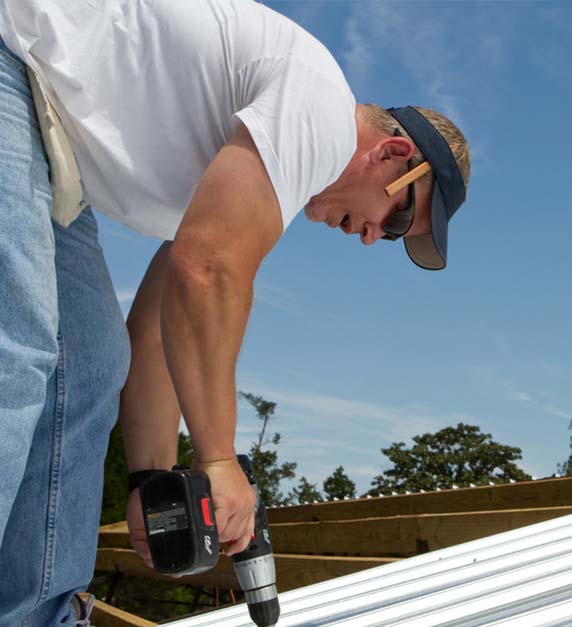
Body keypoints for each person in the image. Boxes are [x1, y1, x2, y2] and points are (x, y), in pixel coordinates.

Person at [0, 1, 471, 624]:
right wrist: (217, 459)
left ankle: (31, 615)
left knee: (89, 363)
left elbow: (163, 328)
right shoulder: (323, 115)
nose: (373, 236)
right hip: (15, 63)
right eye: (400, 219)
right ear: (391, 152)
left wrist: (154, 482)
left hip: (46, 130)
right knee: (19, 351)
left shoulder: (255, 165)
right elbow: (208, 270)